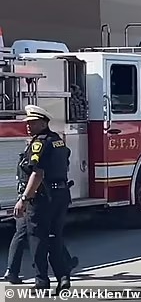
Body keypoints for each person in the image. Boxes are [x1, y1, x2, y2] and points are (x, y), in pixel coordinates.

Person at [13, 105, 72, 292]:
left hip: (42, 199)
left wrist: (24, 199)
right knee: (55, 238)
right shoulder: (58, 141)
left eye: (32, 123)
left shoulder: (40, 143)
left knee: (38, 239)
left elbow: (37, 174)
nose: (28, 126)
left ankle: (41, 281)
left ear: (43, 123)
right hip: (61, 195)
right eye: (27, 123)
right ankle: (63, 277)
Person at [3, 147, 79, 284]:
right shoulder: (42, 158)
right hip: (35, 199)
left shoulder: (25, 158)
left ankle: (12, 270)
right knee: (47, 234)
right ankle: (51, 274)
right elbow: (38, 177)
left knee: (24, 233)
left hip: (26, 196)